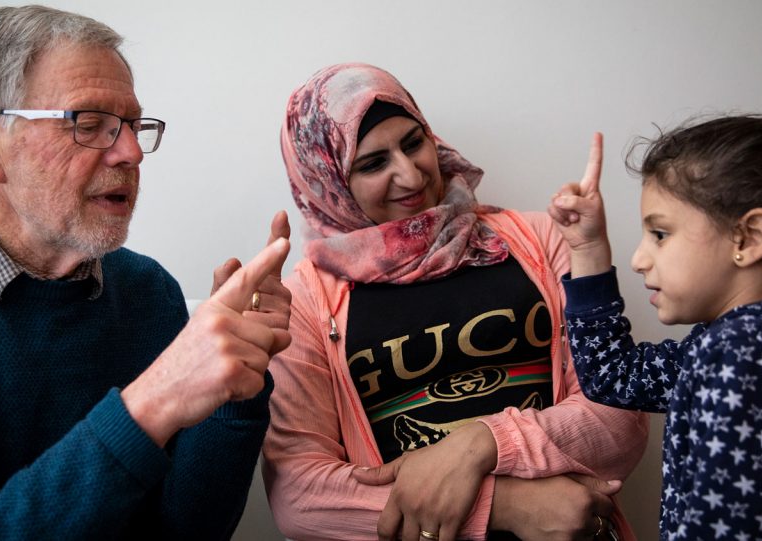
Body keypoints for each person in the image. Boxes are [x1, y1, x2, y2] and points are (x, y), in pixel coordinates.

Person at [0, 6, 291, 539]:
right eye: (90, 125)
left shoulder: (147, 291)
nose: (131, 153)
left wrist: (235, 389)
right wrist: (152, 403)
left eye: (133, 126)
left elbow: (189, 530)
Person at [261, 62, 649, 541]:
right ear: (327, 182)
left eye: (413, 142)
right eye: (372, 163)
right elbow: (302, 499)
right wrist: (504, 506)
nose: (410, 173)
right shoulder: (304, 300)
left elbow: (619, 416)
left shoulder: (540, 240)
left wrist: (482, 444)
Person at [548, 116, 762, 539]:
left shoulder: (745, 351)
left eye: (660, 234)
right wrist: (589, 247)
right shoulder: (753, 341)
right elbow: (614, 376)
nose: (639, 259)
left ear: (748, 237)